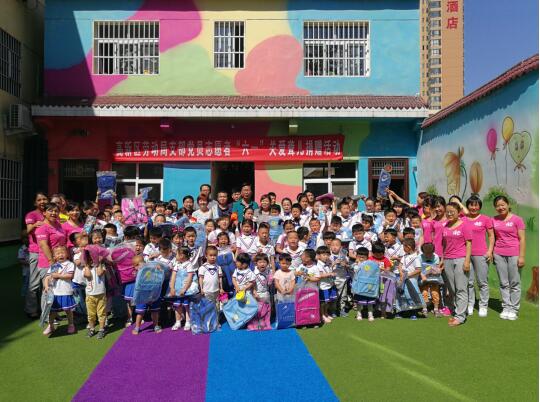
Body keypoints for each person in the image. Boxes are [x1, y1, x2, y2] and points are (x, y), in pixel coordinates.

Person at [492, 195, 526, 321]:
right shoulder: (493, 220)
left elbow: (522, 239)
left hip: (514, 254)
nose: (500, 207)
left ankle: (514, 309)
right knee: (503, 283)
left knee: (515, 283)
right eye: (498, 206)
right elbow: (493, 237)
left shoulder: (517, 219)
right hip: (498, 254)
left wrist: (521, 256)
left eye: (503, 204)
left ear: (508, 205)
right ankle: (506, 307)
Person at [441, 202, 472, 327]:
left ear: (459, 212)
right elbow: (444, 245)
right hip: (447, 259)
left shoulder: (464, 225)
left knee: (461, 288)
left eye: (452, 212)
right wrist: (442, 259)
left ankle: (460, 317)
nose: (449, 214)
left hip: (460, 259)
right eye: (447, 212)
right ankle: (458, 310)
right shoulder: (445, 226)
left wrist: (467, 261)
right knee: (452, 289)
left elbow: (469, 244)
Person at [464, 195, 495, 317]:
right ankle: (470, 304)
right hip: (465, 255)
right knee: (469, 282)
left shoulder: (485, 219)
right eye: (471, 205)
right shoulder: (463, 219)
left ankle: (483, 305)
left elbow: (491, 236)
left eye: (476, 205)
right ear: (467, 206)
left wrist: (490, 251)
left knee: (482, 282)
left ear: (480, 206)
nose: (473, 207)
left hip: (481, 254)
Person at [35, 203, 67, 317]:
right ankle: (46, 317)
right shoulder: (42, 228)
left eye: (56, 211)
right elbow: (44, 245)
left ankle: (54, 315)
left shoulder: (58, 224)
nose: (54, 213)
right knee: (48, 290)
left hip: (60, 262)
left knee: (56, 289)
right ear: (44, 213)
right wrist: (51, 262)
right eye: (50, 210)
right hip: (47, 263)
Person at [42, 246, 76, 336]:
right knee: (52, 311)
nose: (61, 255)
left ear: (67, 254)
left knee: (68, 310)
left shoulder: (70, 264)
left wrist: (58, 276)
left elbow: (70, 276)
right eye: (58, 253)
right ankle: (51, 326)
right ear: (54, 256)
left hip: (66, 291)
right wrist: (46, 286)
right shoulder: (54, 266)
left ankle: (71, 324)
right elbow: (47, 278)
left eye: (62, 253)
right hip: (55, 293)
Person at [24, 192, 48, 318]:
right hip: (35, 252)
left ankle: (46, 310)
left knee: (47, 283)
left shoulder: (49, 213)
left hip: (48, 252)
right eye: (39, 200)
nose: (42, 201)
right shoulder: (31, 215)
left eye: (44, 199)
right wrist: (34, 225)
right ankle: (31, 309)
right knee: (34, 283)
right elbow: (28, 231)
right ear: (35, 202)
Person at [169, 246, 198, 331]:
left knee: (187, 305)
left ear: (181, 255)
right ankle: (178, 321)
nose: (175, 256)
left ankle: (188, 321)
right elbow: (173, 277)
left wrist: (184, 289)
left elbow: (189, 278)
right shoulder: (177, 265)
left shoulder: (189, 265)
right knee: (177, 305)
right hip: (177, 288)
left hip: (186, 289)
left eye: (176, 254)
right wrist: (172, 288)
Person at [131, 255, 162, 335]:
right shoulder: (138, 272)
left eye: (136, 265)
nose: (135, 268)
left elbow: (158, 271)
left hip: (153, 293)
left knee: (155, 311)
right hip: (142, 295)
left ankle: (156, 325)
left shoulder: (150, 268)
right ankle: (137, 327)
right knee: (140, 312)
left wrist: (158, 268)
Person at [83, 250, 107, 339]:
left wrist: (99, 263)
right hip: (90, 295)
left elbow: (100, 273)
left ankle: (101, 329)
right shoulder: (86, 268)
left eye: (94, 257)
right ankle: (92, 329)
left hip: (101, 294)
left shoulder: (102, 266)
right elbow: (88, 275)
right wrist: (86, 265)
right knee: (91, 314)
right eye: (90, 258)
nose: (92, 259)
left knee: (101, 313)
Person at [419, 242, 443, 317]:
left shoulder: (435, 256)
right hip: (423, 278)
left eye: (430, 254)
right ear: (423, 252)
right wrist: (423, 275)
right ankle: (424, 308)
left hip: (434, 277)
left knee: (435, 292)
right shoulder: (419, 257)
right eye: (426, 254)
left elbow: (436, 268)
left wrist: (430, 270)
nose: (428, 255)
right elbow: (418, 268)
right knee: (424, 292)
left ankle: (436, 308)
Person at [352, 247, 376, 321]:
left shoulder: (370, 264)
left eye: (363, 257)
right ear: (356, 257)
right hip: (359, 287)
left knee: (370, 301)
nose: (361, 259)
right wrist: (358, 264)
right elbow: (356, 270)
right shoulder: (355, 265)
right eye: (359, 257)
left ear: (367, 257)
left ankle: (370, 315)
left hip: (368, 286)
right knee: (359, 301)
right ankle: (359, 314)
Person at [314, 246, 336, 323]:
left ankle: (326, 313)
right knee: (322, 302)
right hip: (322, 287)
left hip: (329, 285)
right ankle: (322, 315)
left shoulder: (327, 263)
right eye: (324, 255)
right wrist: (330, 274)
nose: (326, 256)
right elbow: (320, 275)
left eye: (327, 255)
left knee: (327, 301)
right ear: (318, 256)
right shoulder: (318, 265)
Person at [18, 231, 30, 297]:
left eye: (27, 238)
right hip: (26, 271)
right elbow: (20, 260)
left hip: (34, 271)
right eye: (24, 238)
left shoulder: (33, 247)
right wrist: (29, 263)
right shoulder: (22, 249)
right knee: (26, 284)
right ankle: (25, 295)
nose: (26, 240)